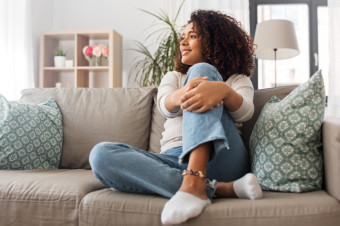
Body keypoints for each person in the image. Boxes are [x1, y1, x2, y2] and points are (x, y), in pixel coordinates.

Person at [89, 10, 263, 225]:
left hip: (223, 156)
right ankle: (214, 188)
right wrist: (183, 94)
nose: (183, 41)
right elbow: (165, 106)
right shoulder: (174, 77)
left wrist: (222, 91)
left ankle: (194, 182)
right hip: (174, 160)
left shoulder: (238, 79)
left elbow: (245, 112)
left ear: (215, 41)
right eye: (183, 36)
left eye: (192, 35)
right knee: (101, 155)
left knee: (202, 70)